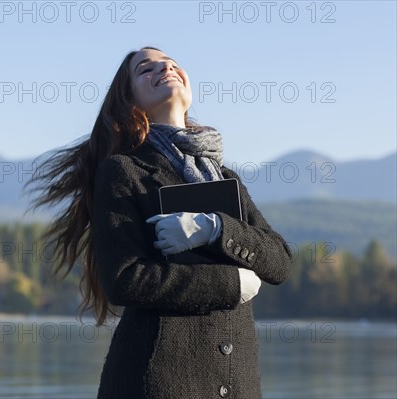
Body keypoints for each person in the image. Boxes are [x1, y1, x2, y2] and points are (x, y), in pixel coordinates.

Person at [25, 46, 292, 399]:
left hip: (237, 382)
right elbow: (126, 279)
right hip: (158, 381)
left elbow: (280, 260)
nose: (165, 68)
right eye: (146, 69)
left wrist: (214, 228)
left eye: (173, 64)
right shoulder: (123, 171)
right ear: (129, 99)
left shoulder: (225, 177)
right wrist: (229, 283)